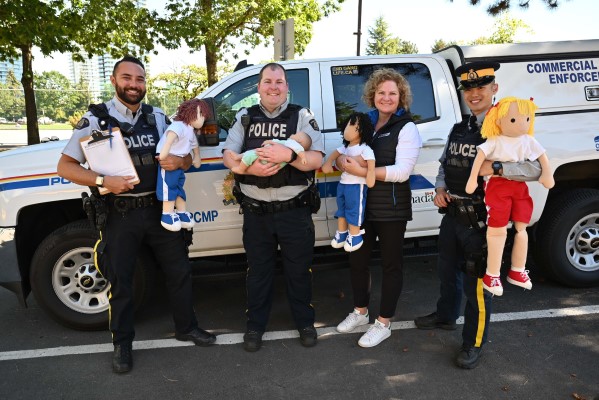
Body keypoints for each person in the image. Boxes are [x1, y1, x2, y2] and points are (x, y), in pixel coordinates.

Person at [57, 56, 216, 374]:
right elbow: (65, 167)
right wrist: (104, 181)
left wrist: (180, 162)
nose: (134, 84)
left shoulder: (158, 117)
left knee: (180, 271)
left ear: (145, 83)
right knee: (122, 281)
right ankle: (122, 344)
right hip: (121, 213)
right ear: (115, 81)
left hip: (159, 210)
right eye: (127, 78)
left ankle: (187, 327)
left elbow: (181, 157)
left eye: (139, 79)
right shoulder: (95, 119)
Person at [413, 61, 542, 369]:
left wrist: (497, 167)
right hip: (452, 214)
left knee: (478, 287)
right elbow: (446, 163)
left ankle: (474, 341)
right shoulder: (461, 127)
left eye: (481, 87)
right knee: (447, 272)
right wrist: (440, 188)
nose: (474, 94)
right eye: (468, 89)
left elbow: (535, 168)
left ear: (494, 89)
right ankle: (446, 316)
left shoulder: (508, 127)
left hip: (484, 223)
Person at [222, 62, 324, 352]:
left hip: (295, 210)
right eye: (268, 81)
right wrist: (247, 170)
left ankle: (305, 323)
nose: (274, 87)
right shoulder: (245, 116)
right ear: (259, 87)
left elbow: (316, 158)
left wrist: (288, 154)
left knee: (299, 270)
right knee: (258, 271)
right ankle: (255, 326)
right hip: (257, 212)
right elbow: (229, 155)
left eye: (279, 82)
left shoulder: (301, 116)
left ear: (286, 86)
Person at [334, 68, 422, 348]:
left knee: (390, 264)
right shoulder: (365, 121)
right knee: (357, 259)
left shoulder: (407, 127)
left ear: (401, 97)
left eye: (392, 93)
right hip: (361, 205)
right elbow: (345, 152)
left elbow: (402, 171)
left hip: (391, 207)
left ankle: (383, 323)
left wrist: (362, 171)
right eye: (381, 92)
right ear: (372, 95)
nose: (386, 97)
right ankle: (361, 312)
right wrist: (342, 164)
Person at [466, 96, 554, 295]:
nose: (522, 124)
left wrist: (547, 174)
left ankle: (517, 269)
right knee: (498, 230)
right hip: (498, 186)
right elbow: (479, 160)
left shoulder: (528, 140)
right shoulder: (495, 141)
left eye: (527, 119)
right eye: (515, 120)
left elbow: (542, 158)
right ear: (499, 121)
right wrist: (472, 180)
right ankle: (492, 273)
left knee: (522, 228)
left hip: (519, 186)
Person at [321, 112, 376, 252]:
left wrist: (370, 175)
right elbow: (335, 154)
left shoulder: (365, 148)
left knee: (354, 210)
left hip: (357, 186)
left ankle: (355, 235)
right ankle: (342, 233)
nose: (348, 130)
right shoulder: (345, 147)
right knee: (341, 209)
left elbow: (371, 163)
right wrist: (328, 162)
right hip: (343, 184)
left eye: (353, 127)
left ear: (362, 130)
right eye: (347, 126)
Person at [157, 98, 209, 231]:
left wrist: (197, 157)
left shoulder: (189, 130)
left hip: (179, 164)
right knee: (168, 187)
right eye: (201, 114)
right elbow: (169, 139)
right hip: (168, 162)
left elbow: (194, 145)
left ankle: (181, 212)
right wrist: (163, 154)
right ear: (191, 113)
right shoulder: (178, 126)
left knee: (179, 188)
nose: (203, 119)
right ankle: (167, 214)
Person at [228, 131, 312, 174]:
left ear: (299, 141)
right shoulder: (288, 143)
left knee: (250, 155)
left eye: (297, 134)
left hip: (266, 159)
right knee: (252, 152)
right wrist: (269, 141)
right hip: (266, 156)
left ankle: (241, 169)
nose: (294, 133)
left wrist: (303, 157)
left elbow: (299, 150)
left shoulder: (294, 144)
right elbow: (278, 141)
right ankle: (238, 157)